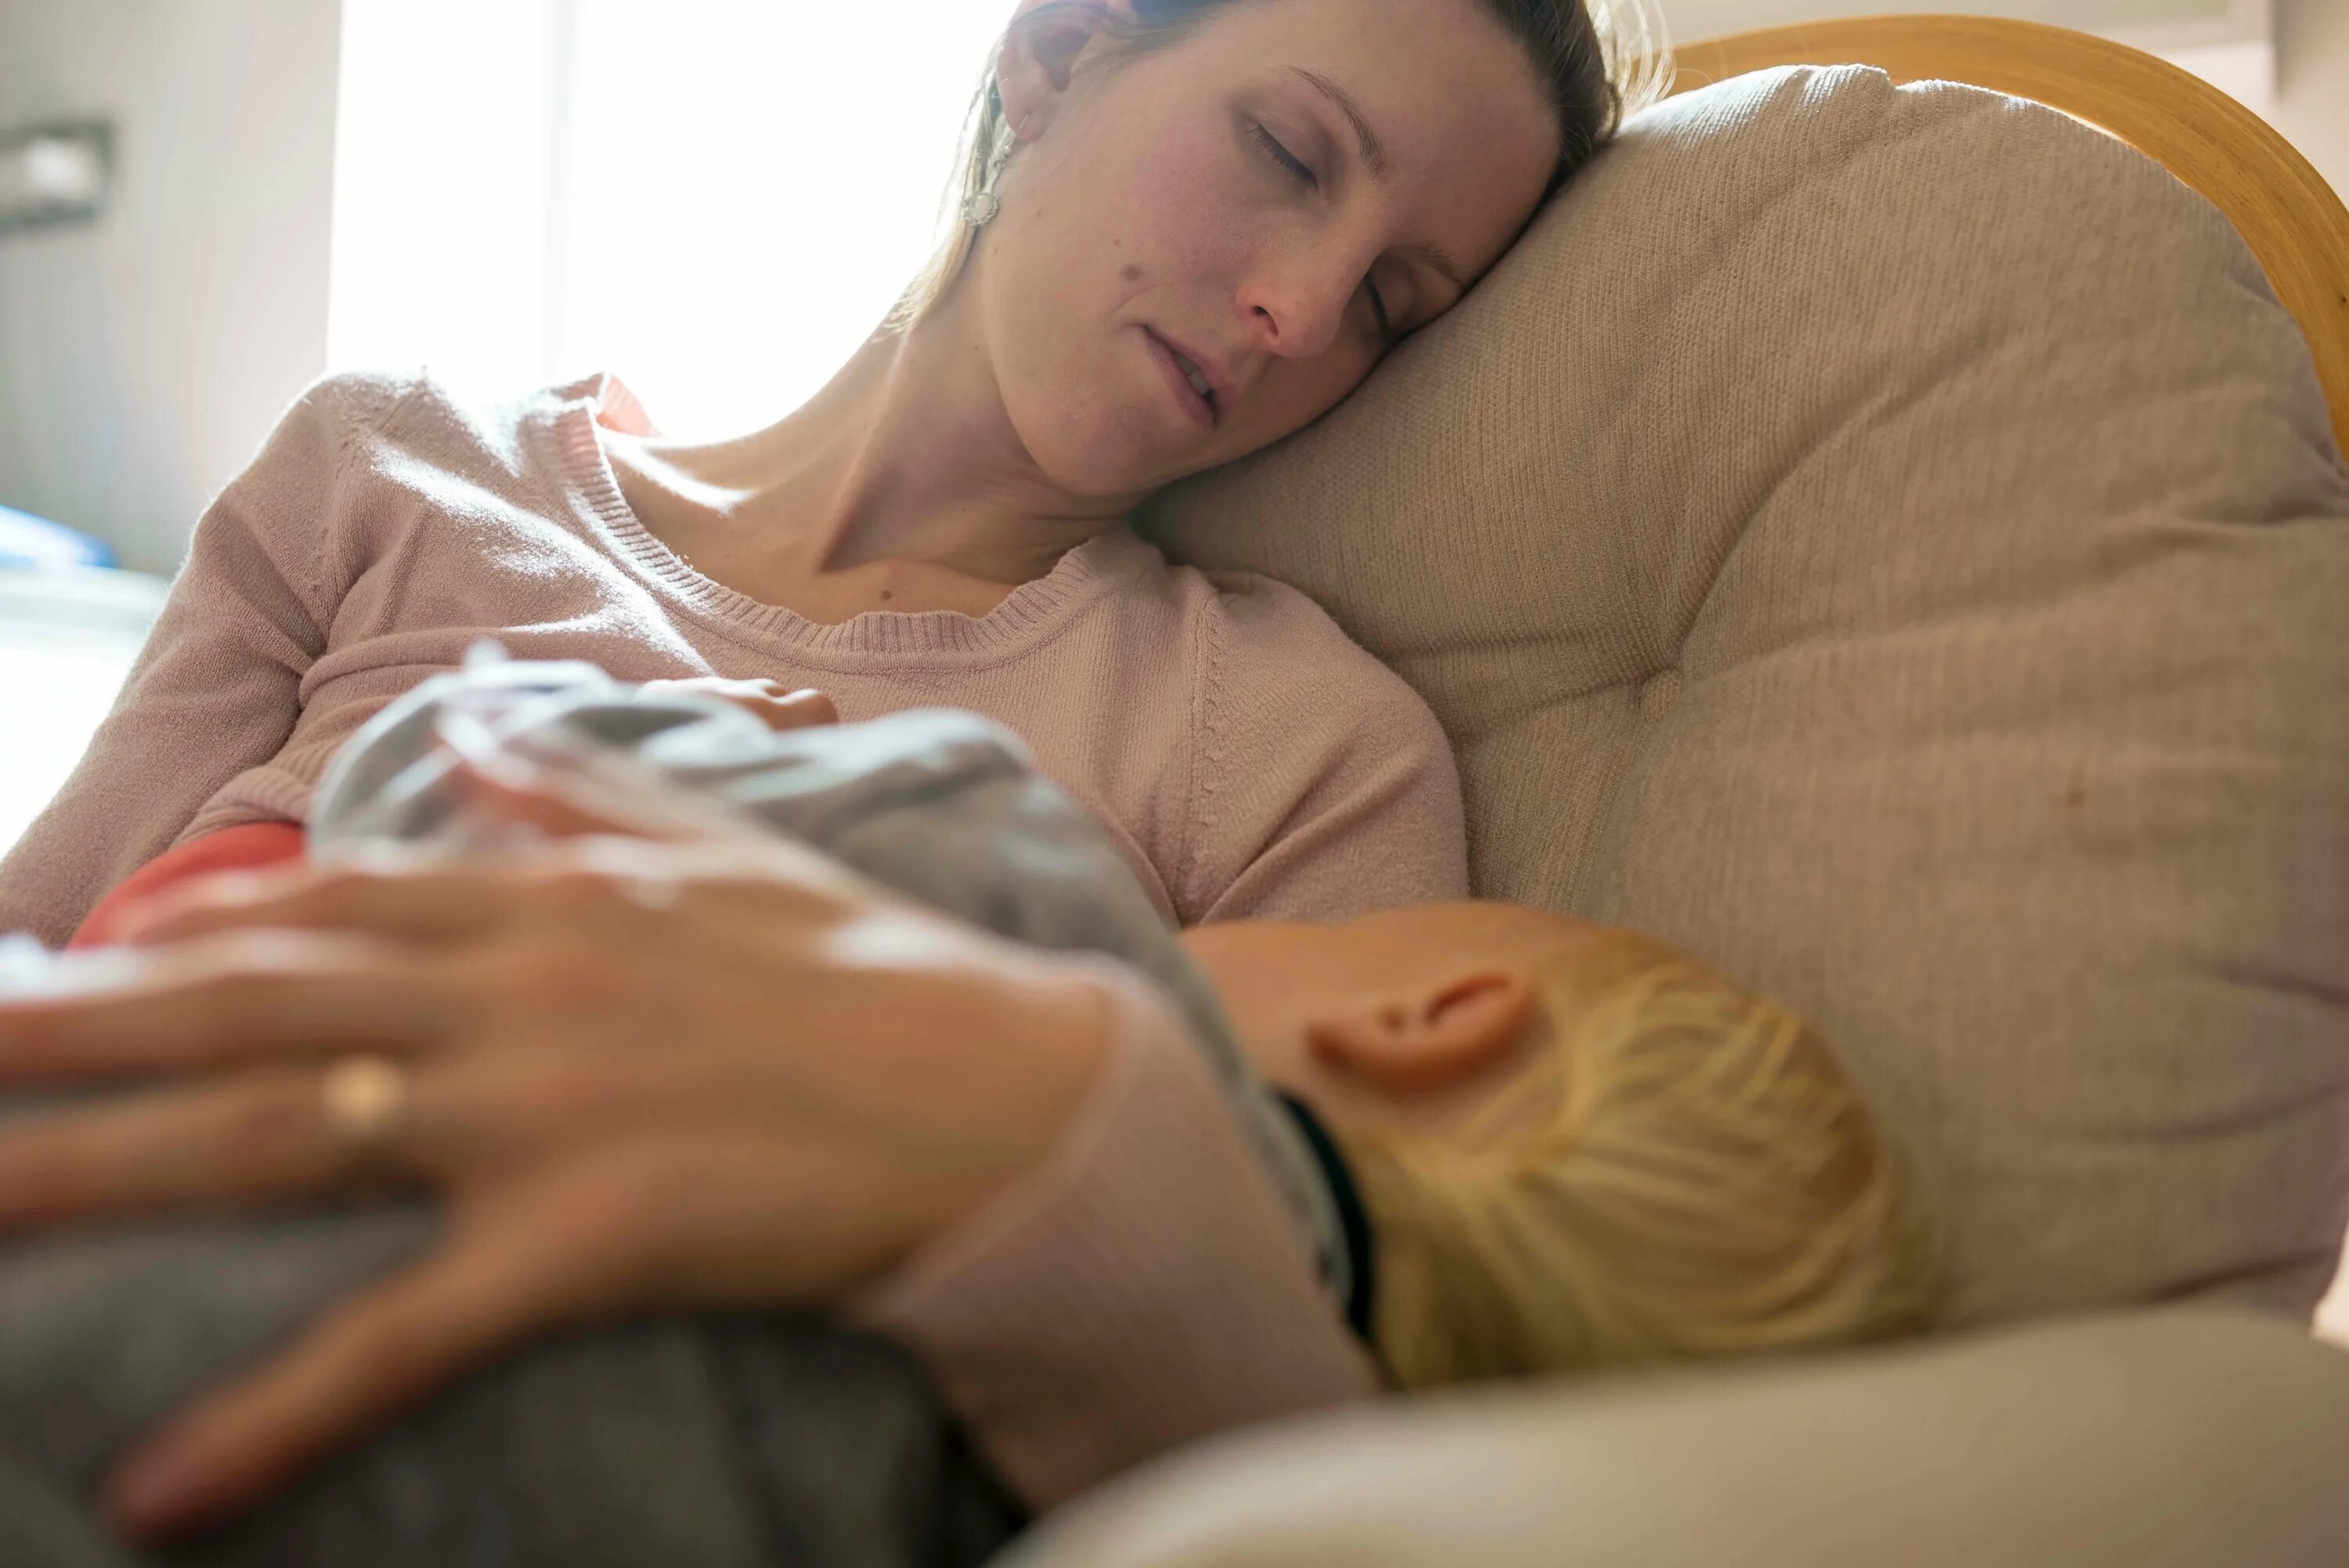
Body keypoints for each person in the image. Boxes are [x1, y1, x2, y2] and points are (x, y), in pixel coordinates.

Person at [0, 658, 1935, 1564]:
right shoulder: (1089, 1499)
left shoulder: (1024, 866)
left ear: (1439, 1011)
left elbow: (448, 772)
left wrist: (703, 729)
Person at [0, 0, 1664, 952]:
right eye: (1289, 152)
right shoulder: (394, 470)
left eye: (1393, 304)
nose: (1297, 313)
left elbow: (1289, 1378)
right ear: (1065, 51)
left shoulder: (1290, 752)